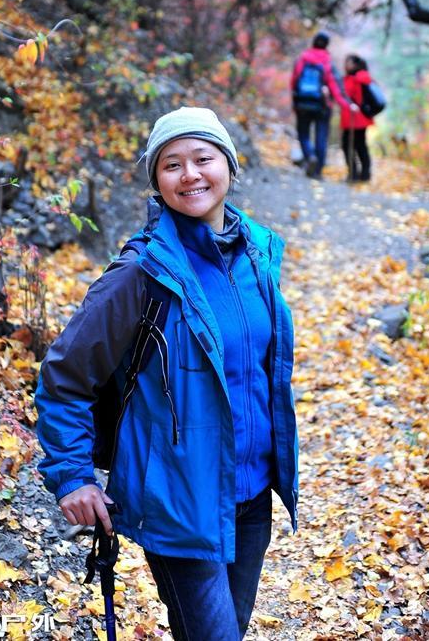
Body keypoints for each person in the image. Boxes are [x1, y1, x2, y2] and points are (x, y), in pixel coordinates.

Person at [34, 106, 299, 641]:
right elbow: (65, 375)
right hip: (179, 500)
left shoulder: (257, 257)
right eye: (171, 164)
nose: (190, 175)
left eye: (203, 158)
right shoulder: (141, 272)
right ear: (157, 180)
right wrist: (72, 473)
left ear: (229, 165)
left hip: (250, 495)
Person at [290, 31, 356, 178]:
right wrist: (347, 105)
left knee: (303, 133)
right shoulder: (328, 63)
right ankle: (318, 171)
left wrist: (296, 100)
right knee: (321, 137)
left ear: (313, 42)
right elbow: (336, 89)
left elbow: (294, 82)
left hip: (303, 104)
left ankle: (309, 156)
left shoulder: (302, 59)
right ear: (327, 45)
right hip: (322, 106)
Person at [340, 54, 374, 182]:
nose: (345, 65)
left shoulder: (357, 78)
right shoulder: (362, 77)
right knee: (360, 146)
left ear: (355, 65)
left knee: (351, 145)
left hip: (355, 118)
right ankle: (362, 174)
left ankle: (356, 174)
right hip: (358, 118)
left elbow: (349, 96)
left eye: (348, 63)